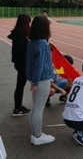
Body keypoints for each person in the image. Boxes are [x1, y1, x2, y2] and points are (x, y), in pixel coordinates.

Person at [26, 15, 55, 145]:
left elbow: (32, 62)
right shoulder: (42, 43)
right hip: (42, 79)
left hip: (37, 78)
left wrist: (32, 80)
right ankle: (37, 136)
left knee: (36, 107)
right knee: (38, 109)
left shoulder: (33, 41)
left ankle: (35, 135)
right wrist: (35, 82)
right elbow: (39, 64)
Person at [8, 14, 32, 117]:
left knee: (20, 85)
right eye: (28, 22)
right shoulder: (19, 35)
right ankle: (17, 109)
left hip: (20, 63)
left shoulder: (19, 34)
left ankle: (18, 106)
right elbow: (20, 51)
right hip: (22, 64)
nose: (29, 24)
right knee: (20, 86)